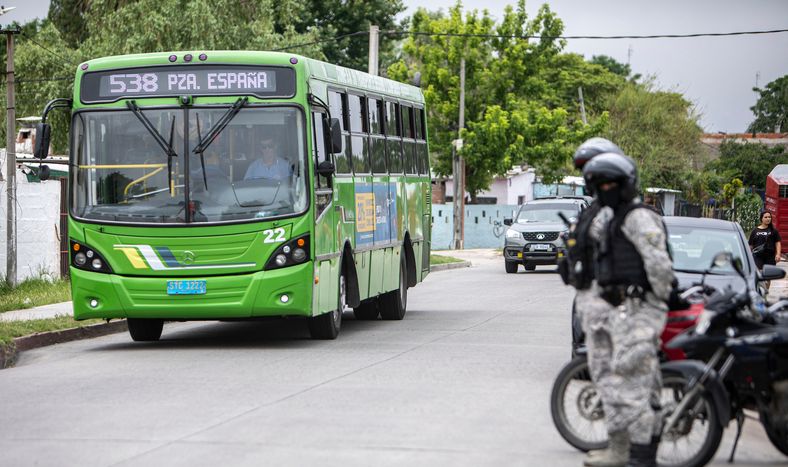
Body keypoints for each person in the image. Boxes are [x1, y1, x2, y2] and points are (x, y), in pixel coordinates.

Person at [582, 153, 675, 467]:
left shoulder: (639, 218)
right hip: (622, 310)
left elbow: (659, 265)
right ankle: (627, 453)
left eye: (610, 184)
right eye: (600, 185)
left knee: (634, 386)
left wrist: (658, 302)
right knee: (625, 383)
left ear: (625, 185)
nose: (604, 189)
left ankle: (641, 458)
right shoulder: (611, 217)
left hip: (641, 309)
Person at [559, 137, 631, 467]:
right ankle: (620, 446)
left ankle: (625, 449)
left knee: (617, 377)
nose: (588, 178)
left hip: (611, 305)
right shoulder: (596, 208)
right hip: (593, 302)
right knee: (604, 374)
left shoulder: (616, 212)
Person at [749, 210, 782, 288]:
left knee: (768, 276)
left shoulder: (774, 231)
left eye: (769, 217)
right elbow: (750, 245)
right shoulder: (755, 231)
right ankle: (760, 289)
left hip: (770, 257)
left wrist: (778, 254)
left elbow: (778, 243)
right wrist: (748, 255)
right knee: (759, 273)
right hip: (758, 256)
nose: (768, 219)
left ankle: (765, 291)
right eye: (766, 217)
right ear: (761, 219)